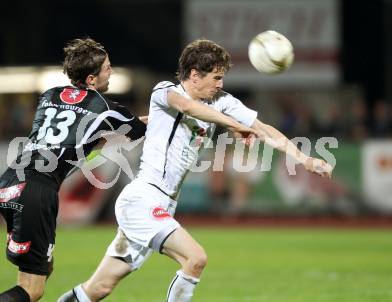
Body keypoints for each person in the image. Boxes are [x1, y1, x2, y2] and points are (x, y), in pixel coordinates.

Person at [58, 39, 333, 302]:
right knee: (195, 258)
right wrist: (233, 124)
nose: (221, 84)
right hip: (142, 199)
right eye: (216, 77)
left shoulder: (222, 102)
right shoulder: (165, 91)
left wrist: (305, 159)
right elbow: (189, 107)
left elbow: (262, 129)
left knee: (99, 288)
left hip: (163, 203)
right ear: (194, 74)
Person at [0, 38, 147, 302]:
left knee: (34, 275)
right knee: (33, 289)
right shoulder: (107, 109)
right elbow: (141, 130)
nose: (112, 71)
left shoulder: (48, 95)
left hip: (10, 182)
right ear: (92, 79)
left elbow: (77, 137)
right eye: (107, 68)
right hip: (37, 191)